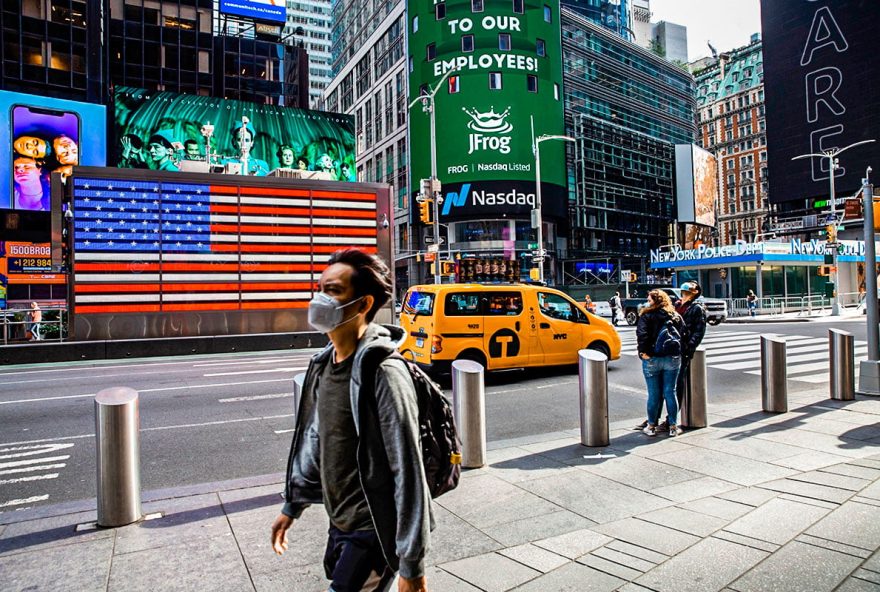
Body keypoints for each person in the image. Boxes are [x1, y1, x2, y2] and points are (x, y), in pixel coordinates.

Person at [270, 249, 430, 592]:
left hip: (371, 525)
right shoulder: (322, 366)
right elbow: (317, 441)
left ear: (362, 305)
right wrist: (292, 505)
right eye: (320, 287)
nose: (320, 298)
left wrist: (412, 566)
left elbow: (408, 467)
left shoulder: (383, 372)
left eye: (334, 290)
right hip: (339, 519)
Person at [636, 289, 685, 437]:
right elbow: (684, 333)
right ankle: (673, 426)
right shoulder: (675, 316)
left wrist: (642, 352)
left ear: (654, 301)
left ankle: (651, 426)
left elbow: (642, 335)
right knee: (670, 392)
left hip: (652, 358)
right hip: (672, 358)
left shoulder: (646, 316)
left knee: (653, 394)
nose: (647, 302)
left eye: (649, 300)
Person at [674, 282, 707, 422]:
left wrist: (690, 347)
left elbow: (699, 331)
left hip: (684, 349)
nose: (684, 296)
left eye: (687, 293)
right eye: (683, 293)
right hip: (673, 347)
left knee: (678, 383)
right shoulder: (677, 306)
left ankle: (673, 416)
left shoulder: (697, 308)